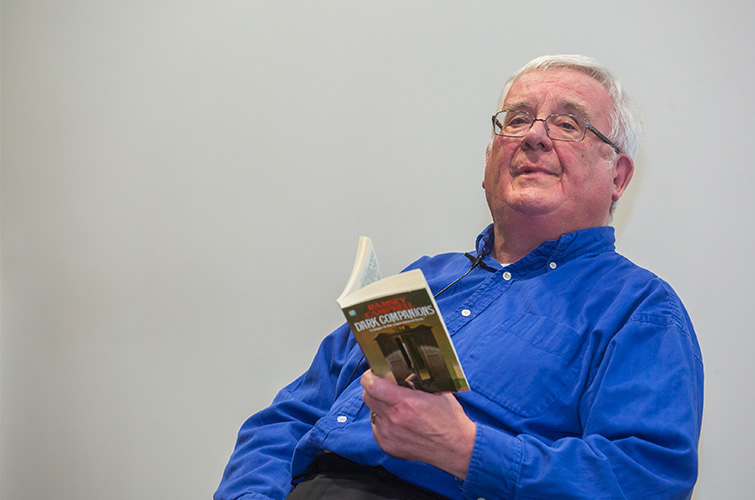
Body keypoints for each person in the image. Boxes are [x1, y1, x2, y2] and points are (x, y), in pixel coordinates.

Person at [215, 54, 704, 500]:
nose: (534, 135)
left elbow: (646, 481)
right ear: (489, 158)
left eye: (568, 124)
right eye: (516, 119)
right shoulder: (425, 277)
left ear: (617, 176)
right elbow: (290, 416)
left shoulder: (640, 309)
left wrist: (465, 448)